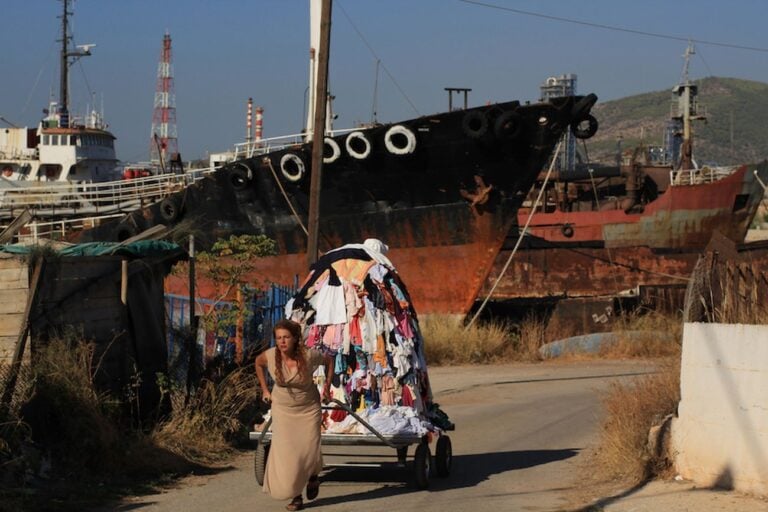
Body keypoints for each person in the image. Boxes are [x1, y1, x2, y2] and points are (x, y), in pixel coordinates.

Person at [255, 319, 332, 511]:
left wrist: (327, 388)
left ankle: (313, 477)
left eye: (286, 337)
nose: (282, 342)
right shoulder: (271, 356)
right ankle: (296, 496)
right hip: (283, 408)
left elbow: (329, 360)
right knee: (290, 454)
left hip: (308, 408)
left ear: (295, 338)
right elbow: (257, 363)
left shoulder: (309, 355)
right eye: (279, 338)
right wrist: (265, 390)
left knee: (308, 449)